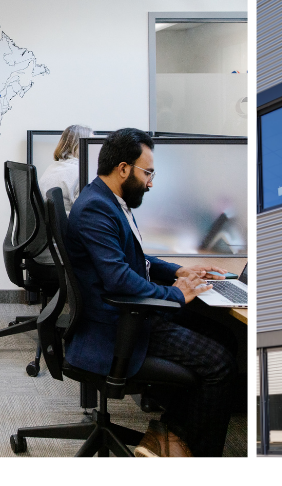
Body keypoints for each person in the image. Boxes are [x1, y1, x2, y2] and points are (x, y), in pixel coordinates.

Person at [64, 127, 237, 458]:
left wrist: (177, 272)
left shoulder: (108, 199)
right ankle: (193, 451)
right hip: (119, 325)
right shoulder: (95, 208)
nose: (151, 182)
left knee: (225, 337)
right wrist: (175, 295)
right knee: (220, 363)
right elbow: (118, 279)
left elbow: (135, 258)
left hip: (130, 312)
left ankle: (169, 434)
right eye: (148, 173)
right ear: (124, 169)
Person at [38, 124, 92, 213]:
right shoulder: (80, 172)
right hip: (69, 223)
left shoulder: (53, 167)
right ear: (79, 145)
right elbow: (84, 213)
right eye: (91, 143)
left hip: (49, 224)